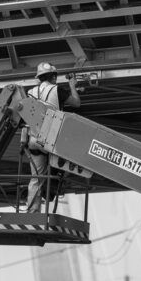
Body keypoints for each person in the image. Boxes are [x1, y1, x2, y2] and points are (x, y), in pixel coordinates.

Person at [25, 62, 81, 213]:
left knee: (36, 177)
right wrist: (72, 86)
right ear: (53, 76)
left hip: (33, 140)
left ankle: (32, 211)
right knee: (69, 162)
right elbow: (76, 103)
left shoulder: (30, 92)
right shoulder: (57, 90)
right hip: (50, 139)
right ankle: (50, 192)